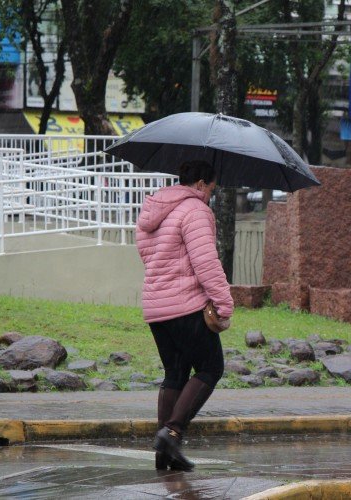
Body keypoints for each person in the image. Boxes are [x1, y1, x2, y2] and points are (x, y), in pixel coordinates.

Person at [135, 159, 233, 472]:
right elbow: (206, 262)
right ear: (202, 183)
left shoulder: (155, 209)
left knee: (175, 374)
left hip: (156, 307)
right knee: (210, 367)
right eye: (211, 190)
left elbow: (148, 255)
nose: (211, 196)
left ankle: (166, 453)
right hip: (186, 306)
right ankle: (173, 432)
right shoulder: (195, 210)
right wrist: (224, 304)